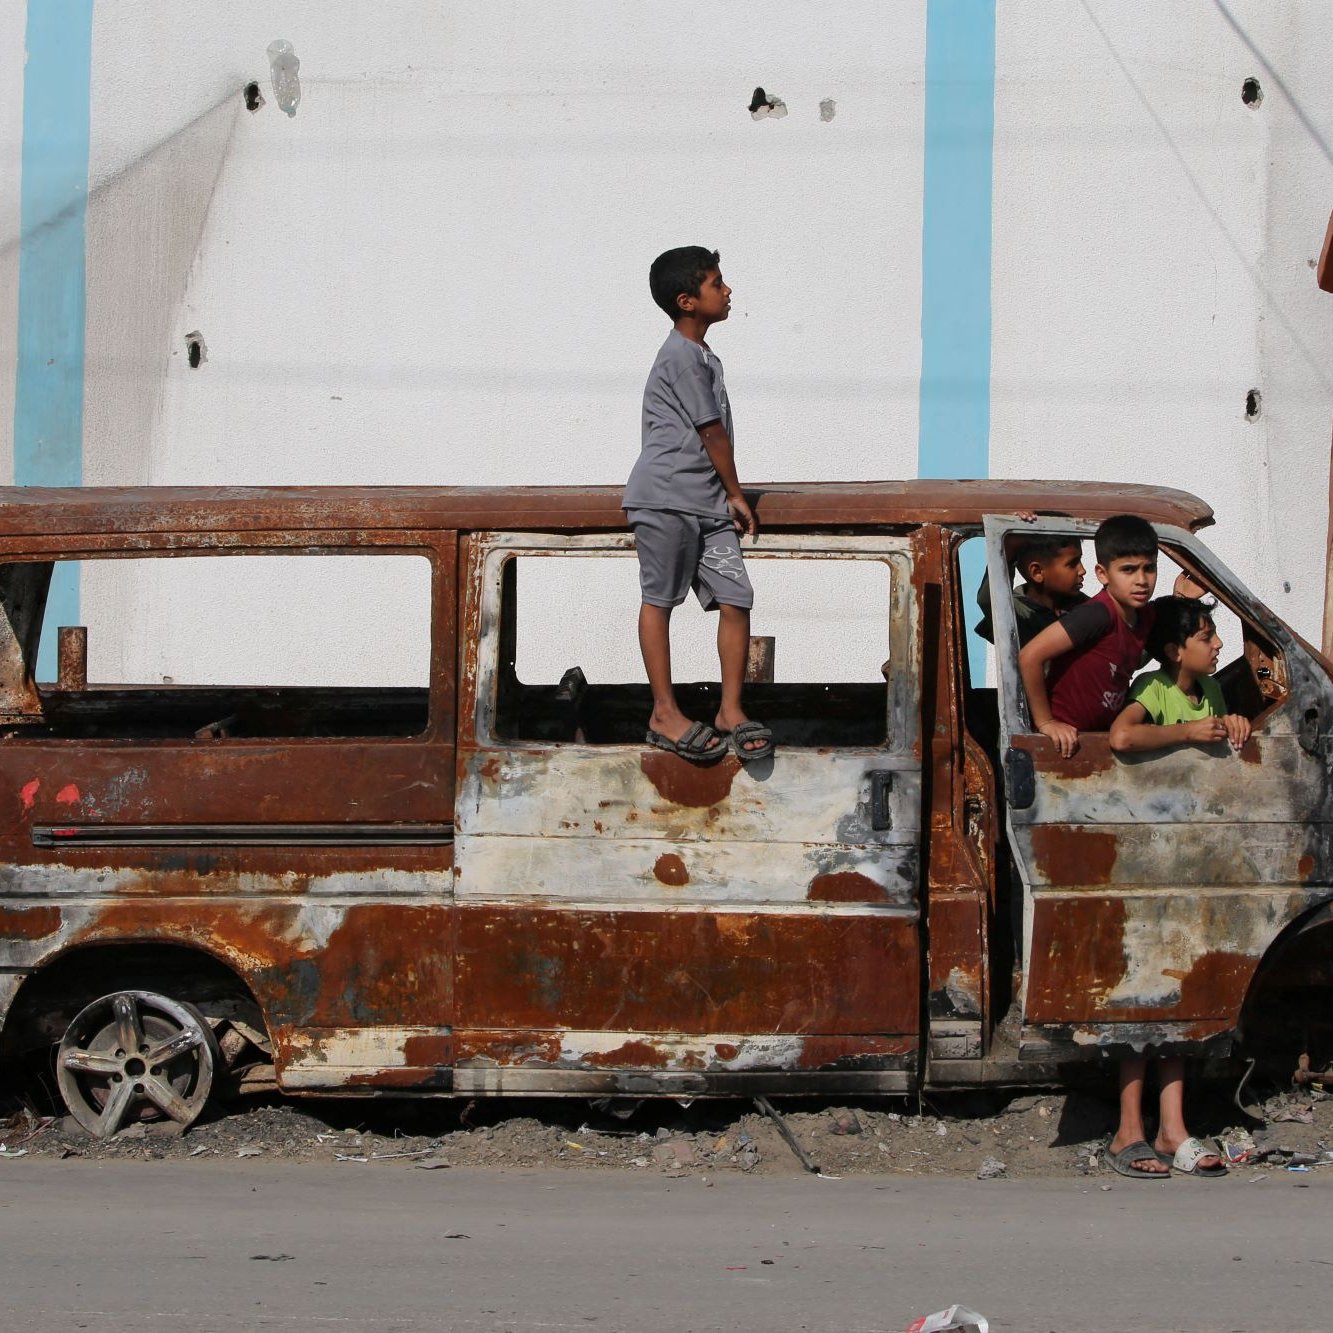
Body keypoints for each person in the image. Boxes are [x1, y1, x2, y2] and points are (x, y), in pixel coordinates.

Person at [622, 246, 772, 766]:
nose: (727, 291)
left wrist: (724, 496)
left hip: (708, 504)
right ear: (687, 301)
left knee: (736, 598)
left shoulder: (704, 355)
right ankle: (664, 713)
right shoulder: (681, 357)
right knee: (660, 600)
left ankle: (730, 710)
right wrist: (737, 493)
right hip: (667, 499)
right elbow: (711, 432)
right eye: (716, 283)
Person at [1019, 514, 1163, 759]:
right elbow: (1029, 656)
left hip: (1097, 740)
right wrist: (1046, 723)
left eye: (1149, 568)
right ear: (1102, 574)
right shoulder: (1097, 614)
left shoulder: (1145, 616)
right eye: (1128, 570)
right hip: (1061, 743)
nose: (1141, 580)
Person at [1109, 596, 1252, 754]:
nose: (1219, 643)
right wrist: (1188, 731)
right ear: (1174, 652)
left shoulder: (1211, 687)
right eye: (1206, 638)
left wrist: (1233, 725)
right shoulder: (1151, 686)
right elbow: (1121, 737)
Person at [976, 533, 1088, 647]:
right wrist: (1006, 551)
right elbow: (989, 600)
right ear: (1037, 572)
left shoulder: (1084, 606)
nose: (1082, 570)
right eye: (1072, 564)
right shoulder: (1018, 614)